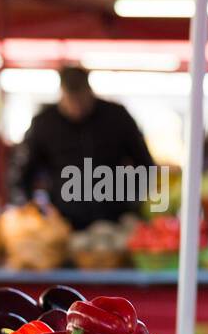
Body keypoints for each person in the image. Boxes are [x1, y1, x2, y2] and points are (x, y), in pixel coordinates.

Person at [13, 66, 155, 229]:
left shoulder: (117, 117)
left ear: (90, 91)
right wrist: (36, 210)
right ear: (62, 94)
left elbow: (145, 165)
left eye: (81, 100)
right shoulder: (44, 123)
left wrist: (134, 205)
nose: (77, 107)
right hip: (63, 221)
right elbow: (20, 174)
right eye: (71, 101)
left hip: (113, 218)